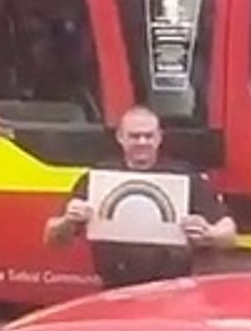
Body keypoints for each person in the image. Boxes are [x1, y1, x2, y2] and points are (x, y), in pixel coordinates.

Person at [43, 106, 237, 289]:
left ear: (159, 138)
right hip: (115, 289)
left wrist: (210, 234)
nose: (142, 142)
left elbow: (230, 234)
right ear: (120, 137)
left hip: (172, 290)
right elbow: (53, 239)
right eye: (135, 136)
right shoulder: (99, 176)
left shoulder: (184, 176)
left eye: (148, 136)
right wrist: (68, 221)